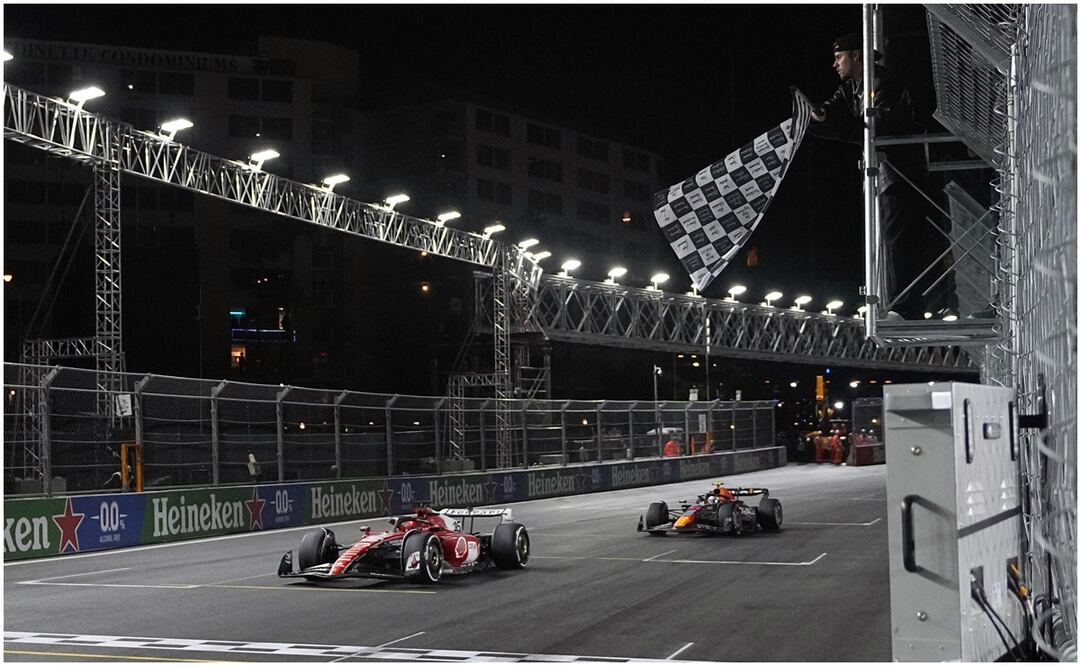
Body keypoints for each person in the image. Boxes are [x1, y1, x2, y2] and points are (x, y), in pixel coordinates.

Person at [809, 32, 954, 321]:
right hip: (887, 174)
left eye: (839, 58)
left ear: (856, 56)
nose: (835, 65)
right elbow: (832, 110)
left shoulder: (883, 83)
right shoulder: (852, 86)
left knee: (903, 242)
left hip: (903, 172)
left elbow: (875, 130)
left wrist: (832, 126)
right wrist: (818, 117)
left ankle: (906, 307)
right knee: (893, 241)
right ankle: (902, 305)